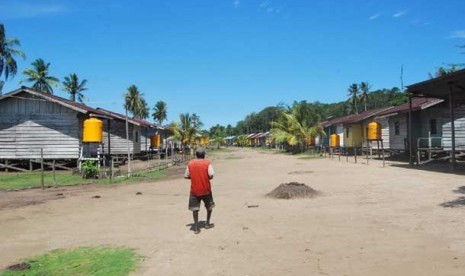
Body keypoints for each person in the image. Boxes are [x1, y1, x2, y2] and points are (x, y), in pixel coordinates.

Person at [184, 147, 215, 234]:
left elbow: (186, 176)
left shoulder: (190, 164)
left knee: (195, 209)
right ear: (204, 155)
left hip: (194, 190)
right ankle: (207, 223)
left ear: (196, 155)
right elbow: (211, 175)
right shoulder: (207, 163)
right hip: (206, 190)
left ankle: (196, 228)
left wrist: (194, 176)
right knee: (209, 207)